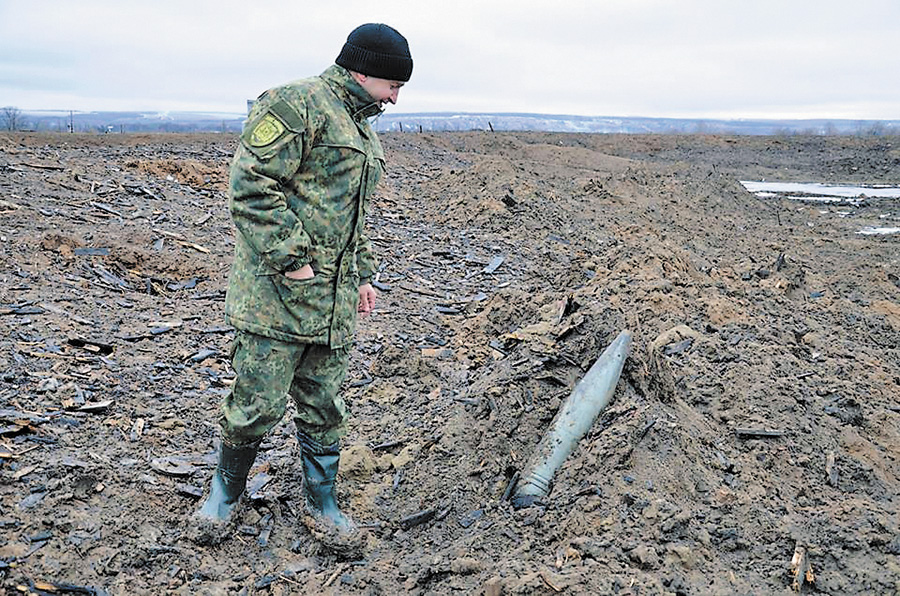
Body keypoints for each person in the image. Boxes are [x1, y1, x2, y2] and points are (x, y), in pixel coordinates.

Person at [191, 23, 412, 553]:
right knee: (257, 401)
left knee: (324, 404)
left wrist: (362, 275)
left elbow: (352, 218)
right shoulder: (298, 104)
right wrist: (292, 261)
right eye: (392, 84)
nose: (396, 96)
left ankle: (322, 502)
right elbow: (251, 186)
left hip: (333, 304)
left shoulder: (363, 128)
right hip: (278, 297)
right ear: (362, 69)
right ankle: (226, 492)